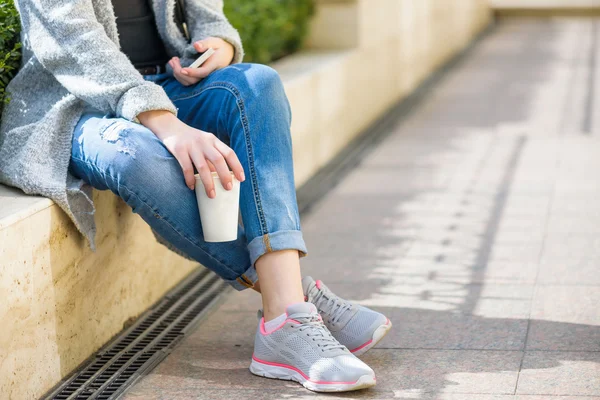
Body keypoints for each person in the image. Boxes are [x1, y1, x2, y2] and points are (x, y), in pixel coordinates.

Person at [0, 0, 392, 392]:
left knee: (257, 84)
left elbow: (208, 15)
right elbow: (74, 42)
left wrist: (218, 43)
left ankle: (283, 319)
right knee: (136, 155)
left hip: (170, 87)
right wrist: (165, 123)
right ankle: (291, 299)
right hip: (76, 104)